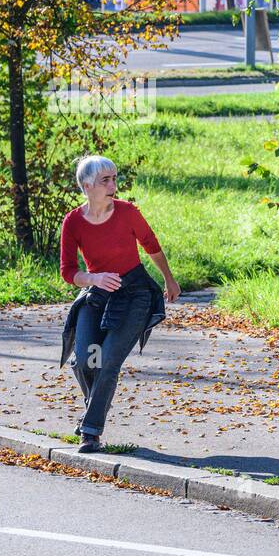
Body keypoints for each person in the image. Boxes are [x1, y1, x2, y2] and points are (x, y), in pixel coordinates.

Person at [59, 155, 181, 453]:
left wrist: (169, 279)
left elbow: (151, 245)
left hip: (135, 292)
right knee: (87, 359)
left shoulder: (127, 212)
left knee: (109, 361)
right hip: (97, 292)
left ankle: (91, 431)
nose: (113, 185)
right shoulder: (73, 221)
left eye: (114, 179)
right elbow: (68, 272)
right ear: (87, 186)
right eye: (105, 180)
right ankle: (94, 406)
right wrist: (94, 278)